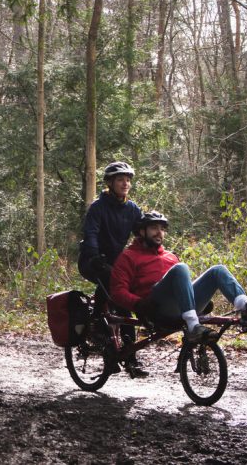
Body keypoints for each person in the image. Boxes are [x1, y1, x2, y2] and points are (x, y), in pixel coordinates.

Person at [110, 210, 247, 344]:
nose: (159, 232)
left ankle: (246, 307)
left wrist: (201, 297)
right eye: (153, 228)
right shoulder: (128, 257)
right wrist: (138, 304)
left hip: (180, 309)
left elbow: (183, 285)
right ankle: (194, 327)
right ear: (141, 231)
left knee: (218, 270)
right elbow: (117, 291)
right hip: (155, 309)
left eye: (162, 228)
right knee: (181, 268)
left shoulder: (169, 256)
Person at [78, 161, 144, 376]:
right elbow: (91, 234)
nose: (125, 183)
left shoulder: (132, 209)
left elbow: (142, 234)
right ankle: (97, 327)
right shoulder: (98, 207)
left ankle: (127, 355)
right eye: (120, 179)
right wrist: (95, 255)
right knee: (115, 291)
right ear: (110, 183)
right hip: (92, 261)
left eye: (127, 180)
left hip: (116, 264)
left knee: (124, 300)